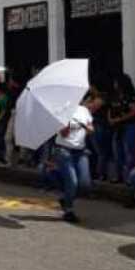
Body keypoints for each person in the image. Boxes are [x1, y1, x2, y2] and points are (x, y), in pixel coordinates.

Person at [54, 95, 99, 223]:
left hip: (80, 151)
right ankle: (69, 210)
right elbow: (63, 133)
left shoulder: (84, 111)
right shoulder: (62, 111)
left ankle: (66, 198)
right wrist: (67, 123)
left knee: (85, 183)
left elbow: (91, 129)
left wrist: (86, 127)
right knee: (72, 181)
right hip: (64, 150)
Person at [108, 73, 135, 183]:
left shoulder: (130, 96)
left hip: (129, 125)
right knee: (117, 152)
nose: (114, 84)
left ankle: (130, 177)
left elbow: (134, 111)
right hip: (117, 128)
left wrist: (119, 119)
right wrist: (110, 119)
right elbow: (110, 108)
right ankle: (119, 175)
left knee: (129, 152)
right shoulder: (115, 96)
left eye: (116, 82)